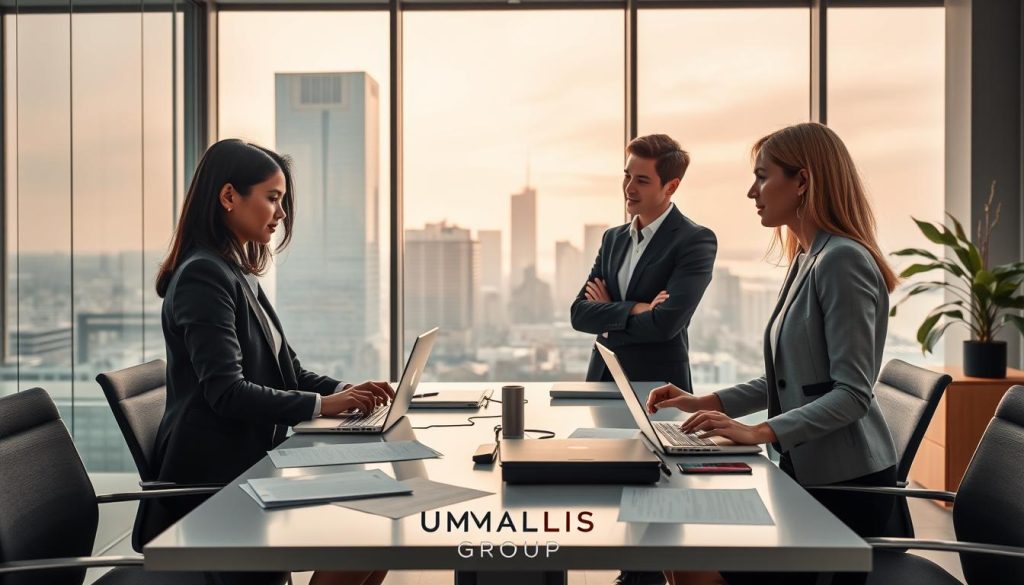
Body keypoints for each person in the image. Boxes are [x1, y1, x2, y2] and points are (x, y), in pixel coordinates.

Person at [647, 123, 900, 585]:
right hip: (807, 476)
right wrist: (706, 403)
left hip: (843, 493)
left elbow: (851, 395)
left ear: (802, 181)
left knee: (690, 561)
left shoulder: (842, 260)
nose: (751, 191)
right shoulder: (808, 257)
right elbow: (789, 378)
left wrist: (758, 432)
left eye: (763, 176)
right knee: (672, 531)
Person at [150, 139, 393, 585]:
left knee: (381, 516)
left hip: (250, 465)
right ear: (228, 197)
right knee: (370, 522)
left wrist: (346, 392)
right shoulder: (203, 276)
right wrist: (323, 408)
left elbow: (289, 371)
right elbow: (227, 392)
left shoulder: (235, 273)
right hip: (217, 484)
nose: (281, 214)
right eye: (273, 198)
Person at [570, 134, 716, 585]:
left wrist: (611, 312)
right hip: (606, 380)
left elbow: (669, 323)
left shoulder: (694, 241)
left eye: (642, 180)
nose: (629, 189)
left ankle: (642, 578)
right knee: (615, 486)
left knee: (657, 492)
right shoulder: (613, 238)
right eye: (627, 177)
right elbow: (579, 313)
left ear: (670, 187)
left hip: (658, 387)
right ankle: (631, 573)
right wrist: (636, 309)